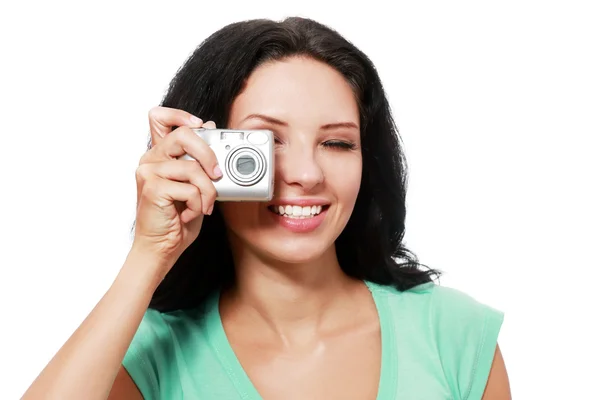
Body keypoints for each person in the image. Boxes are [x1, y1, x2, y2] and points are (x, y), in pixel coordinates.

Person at [23, 17, 510, 400]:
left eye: (338, 143)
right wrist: (149, 254)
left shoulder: (456, 337)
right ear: (201, 151)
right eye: (268, 142)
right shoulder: (147, 355)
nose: (307, 173)